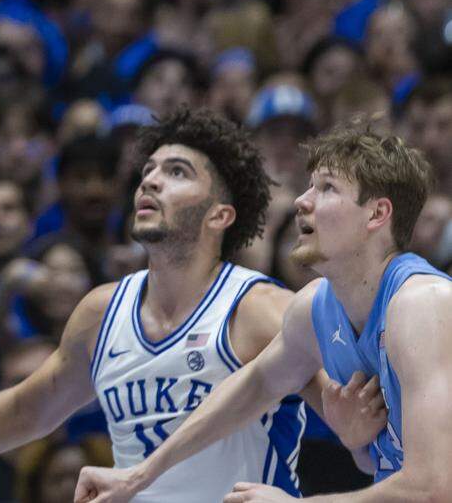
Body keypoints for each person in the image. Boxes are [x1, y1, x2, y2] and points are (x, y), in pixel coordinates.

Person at [0, 110, 386, 501]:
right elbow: (25, 412)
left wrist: (358, 434)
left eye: (176, 172)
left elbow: (357, 436)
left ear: (220, 215)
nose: (149, 181)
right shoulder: (101, 312)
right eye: (148, 171)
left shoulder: (259, 308)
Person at [75, 126, 451, 502]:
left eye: (327, 188)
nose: (302, 202)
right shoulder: (315, 307)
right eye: (308, 186)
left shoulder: (423, 305)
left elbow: (433, 488)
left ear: (377, 213)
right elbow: (251, 388)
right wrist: (136, 477)